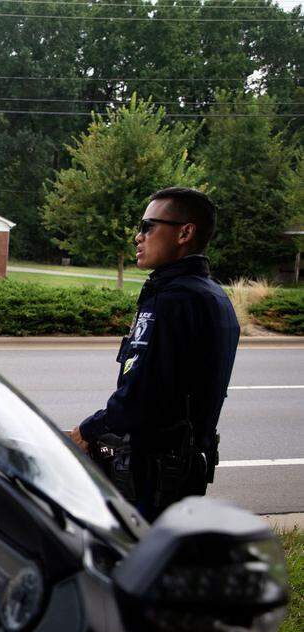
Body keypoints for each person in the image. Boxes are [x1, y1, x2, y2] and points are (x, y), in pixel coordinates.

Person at [69, 187, 239, 522]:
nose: (138, 236)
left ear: (184, 232)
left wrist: (86, 432)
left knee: (130, 562)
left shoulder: (171, 300)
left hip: (151, 472)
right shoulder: (215, 297)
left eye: (148, 226)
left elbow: (141, 399)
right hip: (186, 468)